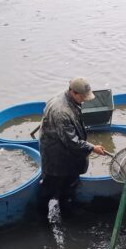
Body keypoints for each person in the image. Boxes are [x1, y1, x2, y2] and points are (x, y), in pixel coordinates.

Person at [38, 77, 106, 218]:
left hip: (60, 146)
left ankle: (64, 204)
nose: (85, 100)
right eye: (82, 97)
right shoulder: (61, 111)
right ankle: (48, 215)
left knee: (65, 184)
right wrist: (93, 148)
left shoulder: (66, 97)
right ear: (73, 92)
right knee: (53, 186)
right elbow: (72, 142)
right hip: (56, 155)